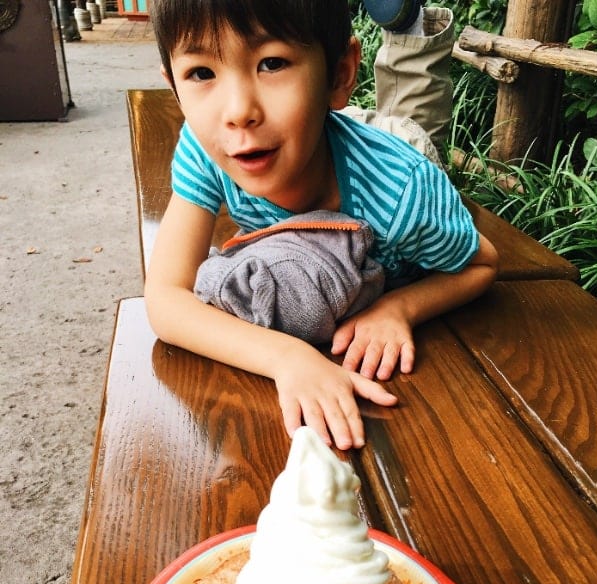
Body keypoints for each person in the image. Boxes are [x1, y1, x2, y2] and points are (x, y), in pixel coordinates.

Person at [145, 0, 499, 451]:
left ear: (339, 75)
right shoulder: (206, 144)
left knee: (413, 125)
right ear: (173, 88)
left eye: (271, 63)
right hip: (311, 138)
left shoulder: (403, 192)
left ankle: (412, 29)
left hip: (389, 153)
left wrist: (399, 308)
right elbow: (165, 298)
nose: (237, 111)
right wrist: (288, 358)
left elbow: (482, 263)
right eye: (200, 73)